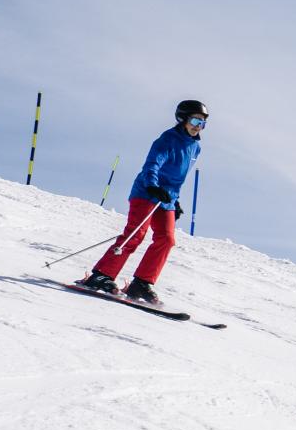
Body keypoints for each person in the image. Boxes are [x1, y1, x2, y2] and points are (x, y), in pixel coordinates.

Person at [76, 99, 207, 306]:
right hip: (147, 192)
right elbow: (152, 165)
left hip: (167, 199)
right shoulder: (167, 139)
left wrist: (176, 201)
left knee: (167, 239)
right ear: (182, 119)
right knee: (136, 234)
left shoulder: (195, 148)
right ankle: (101, 275)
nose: (198, 126)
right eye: (194, 120)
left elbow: (177, 177)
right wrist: (153, 186)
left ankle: (142, 283)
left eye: (202, 123)